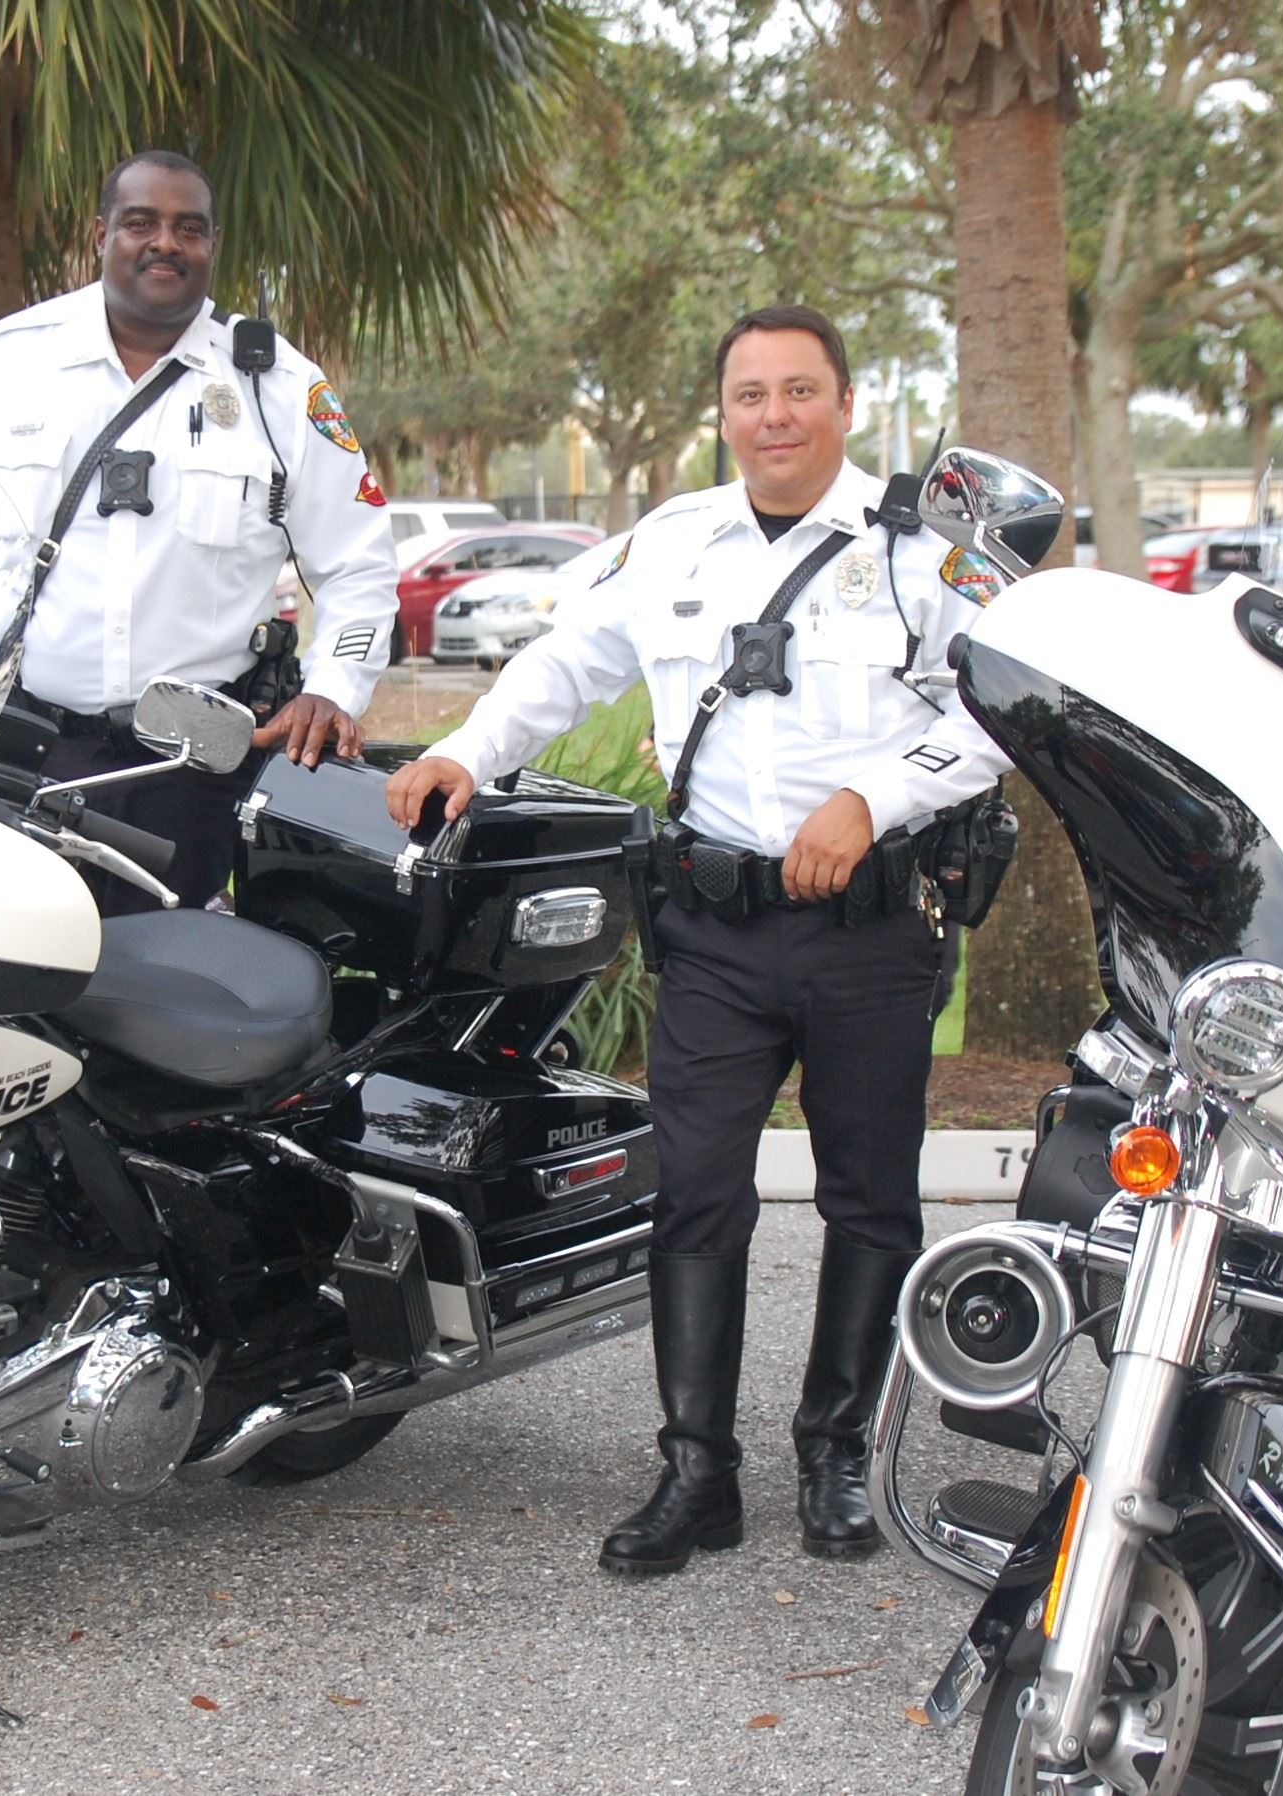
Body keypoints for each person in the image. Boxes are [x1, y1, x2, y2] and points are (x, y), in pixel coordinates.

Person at [385, 306, 1011, 1572]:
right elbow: (566, 664)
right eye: (747, 395)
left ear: (846, 402)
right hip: (717, 930)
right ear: (722, 412)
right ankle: (697, 1471)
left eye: (798, 390)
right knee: (696, 1193)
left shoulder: (923, 550)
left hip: (869, 928)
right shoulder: (675, 542)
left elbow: (1001, 709)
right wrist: (463, 748)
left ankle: (837, 1451)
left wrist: (872, 799)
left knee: (872, 1200)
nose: (772, 416)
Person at [0, 150, 400, 911]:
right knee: (1, 978)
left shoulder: (278, 388)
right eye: (140, 223)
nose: (165, 244)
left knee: (159, 995)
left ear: (212, 245)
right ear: (99, 234)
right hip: (19, 748)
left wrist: (333, 687)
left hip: (188, 774)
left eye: (189, 229)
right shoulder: (7, 360)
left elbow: (359, 562)